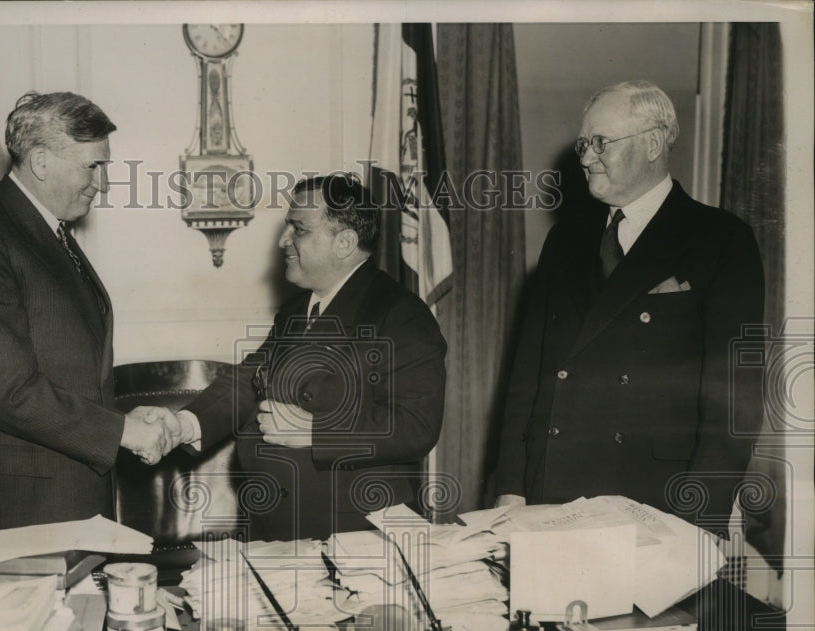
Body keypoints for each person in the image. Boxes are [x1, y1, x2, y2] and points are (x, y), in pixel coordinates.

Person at [493, 80, 765, 531]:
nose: (584, 157)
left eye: (601, 142)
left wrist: (701, 519)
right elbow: (527, 373)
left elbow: (735, 398)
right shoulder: (565, 240)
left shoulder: (720, 239)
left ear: (653, 143)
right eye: (583, 143)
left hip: (655, 500)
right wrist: (511, 484)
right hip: (550, 492)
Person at [154, 174, 448, 540]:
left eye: (299, 230)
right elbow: (250, 379)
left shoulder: (401, 315)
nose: (283, 241)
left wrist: (317, 431)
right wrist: (184, 425)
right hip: (275, 529)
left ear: (344, 242)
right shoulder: (299, 309)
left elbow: (416, 426)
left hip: (349, 536)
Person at [0, 91, 176, 533]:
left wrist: (121, 421)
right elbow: (8, 391)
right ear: (41, 162)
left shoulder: (45, 233)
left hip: (62, 498)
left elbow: (71, 367)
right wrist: (121, 433)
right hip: (17, 510)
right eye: (92, 167)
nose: (101, 183)